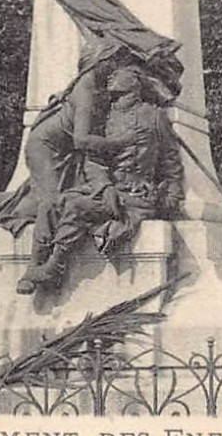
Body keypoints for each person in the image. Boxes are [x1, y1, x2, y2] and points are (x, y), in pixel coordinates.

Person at [17, 64, 184, 294]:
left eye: (120, 73)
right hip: (107, 189)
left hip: (136, 194)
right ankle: (34, 265)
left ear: (134, 82)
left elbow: (171, 163)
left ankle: (54, 265)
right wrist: (105, 187)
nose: (112, 76)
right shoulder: (104, 117)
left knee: (76, 206)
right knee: (51, 205)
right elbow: (92, 160)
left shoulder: (154, 117)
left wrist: (171, 197)